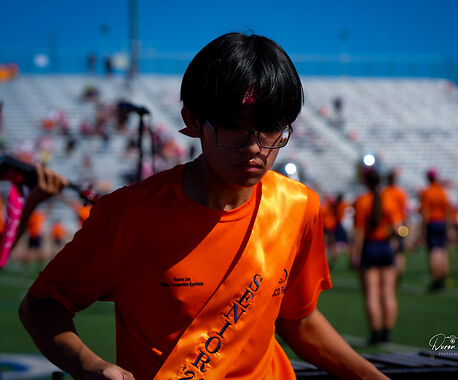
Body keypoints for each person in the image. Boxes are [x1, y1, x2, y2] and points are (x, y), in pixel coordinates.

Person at [19, 33, 388, 380]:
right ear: (193, 120)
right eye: (233, 127)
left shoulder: (299, 206)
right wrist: (90, 366)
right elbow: (42, 305)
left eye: (271, 128)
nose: (255, 147)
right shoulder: (129, 215)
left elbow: (299, 321)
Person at [351, 168, 399, 345]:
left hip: (370, 247)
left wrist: (355, 255)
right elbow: (398, 228)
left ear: (366, 182)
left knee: (371, 294)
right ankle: (387, 332)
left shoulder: (362, 201)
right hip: (385, 246)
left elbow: (359, 232)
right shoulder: (389, 199)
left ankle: (375, 332)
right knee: (388, 293)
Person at [0, 163, 68, 268]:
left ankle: (31, 265)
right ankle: (26, 265)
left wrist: (33, 201)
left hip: (35, 234)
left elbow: (3, 248)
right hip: (33, 234)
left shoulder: (41, 216)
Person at [419, 168, 451, 291]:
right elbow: (447, 209)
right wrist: (449, 226)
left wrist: (423, 227)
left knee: (434, 251)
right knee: (443, 250)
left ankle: (436, 278)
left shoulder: (427, 192)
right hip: (442, 222)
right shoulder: (442, 191)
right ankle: (443, 277)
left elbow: (425, 211)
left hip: (432, 222)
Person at [384, 170, 409, 278]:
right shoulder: (401, 192)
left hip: (389, 223)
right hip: (401, 222)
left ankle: (393, 271)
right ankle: (399, 272)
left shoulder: (385, 192)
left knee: (391, 247)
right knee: (399, 250)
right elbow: (404, 209)